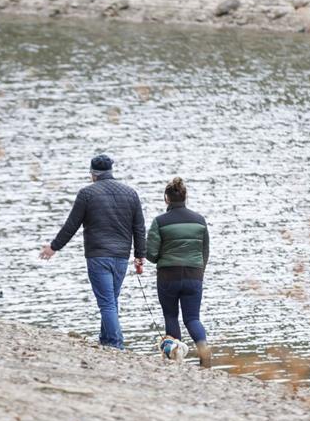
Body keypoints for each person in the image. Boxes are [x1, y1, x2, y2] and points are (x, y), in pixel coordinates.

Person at [40, 154, 146, 349]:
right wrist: (140, 255)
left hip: (98, 257)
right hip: (121, 257)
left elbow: (71, 225)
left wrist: (54, 247)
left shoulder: (87, 194)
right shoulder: (131, 193)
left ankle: (115, 344)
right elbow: (139, 227)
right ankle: (106, 340)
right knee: (111, 301)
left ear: (93, 174)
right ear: (111, 171)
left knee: (107, 303)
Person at [145, 177, 212, 367]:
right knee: (192, 318)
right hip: (194, 275)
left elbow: (151, 254)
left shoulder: (160, 221)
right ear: (185, 197)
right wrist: (199, 270)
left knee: (171, 316)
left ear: (167, 199)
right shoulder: (200, 221)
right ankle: (204, 353)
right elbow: (204, 251)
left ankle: (176, 359)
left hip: (168, 276)